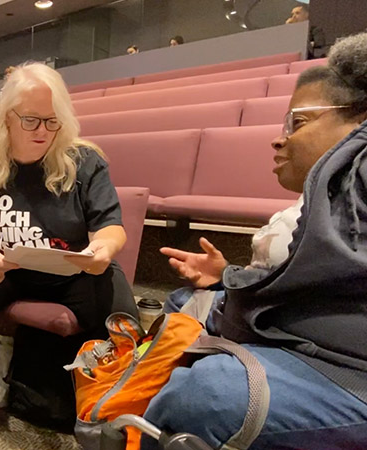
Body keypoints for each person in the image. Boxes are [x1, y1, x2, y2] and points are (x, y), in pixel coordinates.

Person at [142, 32, 367, 449]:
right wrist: (227, 276)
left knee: (204, 397)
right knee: (182, 304)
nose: (280, 138)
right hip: (306, 339)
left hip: (347, 367)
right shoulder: (322, 198)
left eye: (298, 123)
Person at [0, 62, 138, 362]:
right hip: (6, 273)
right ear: (8, 118)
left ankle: (111, 392)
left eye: (52, 121)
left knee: (121, 314)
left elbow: (110, 227)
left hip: (74, 276)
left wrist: (104, 247)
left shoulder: (86, 162)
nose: (43, 131)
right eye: (31, 120)